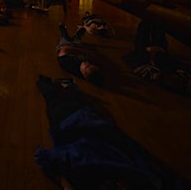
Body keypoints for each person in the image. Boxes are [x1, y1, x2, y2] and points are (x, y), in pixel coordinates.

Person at [34, 74, 187, 190]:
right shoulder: (87, 167)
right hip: (75, 122)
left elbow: (43, 157)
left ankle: (52, 83)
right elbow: (44, 157)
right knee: (58, 100)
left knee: (61, 100)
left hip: (76, 122)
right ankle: (50, 83)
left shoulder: (94, 167)